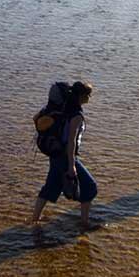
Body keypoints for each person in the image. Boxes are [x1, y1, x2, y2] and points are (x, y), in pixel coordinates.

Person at [30, 80, 98, 230]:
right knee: (90, 186)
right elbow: (71, 142)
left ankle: (34, 221)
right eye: (88, 95)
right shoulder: (77, 116)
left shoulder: (61, 110)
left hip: (55, 154)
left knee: (50, 186)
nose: (89, 98)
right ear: (81, 96)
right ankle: (84, 223)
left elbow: (35, 118)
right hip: (65, 156)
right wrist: (72, 165)